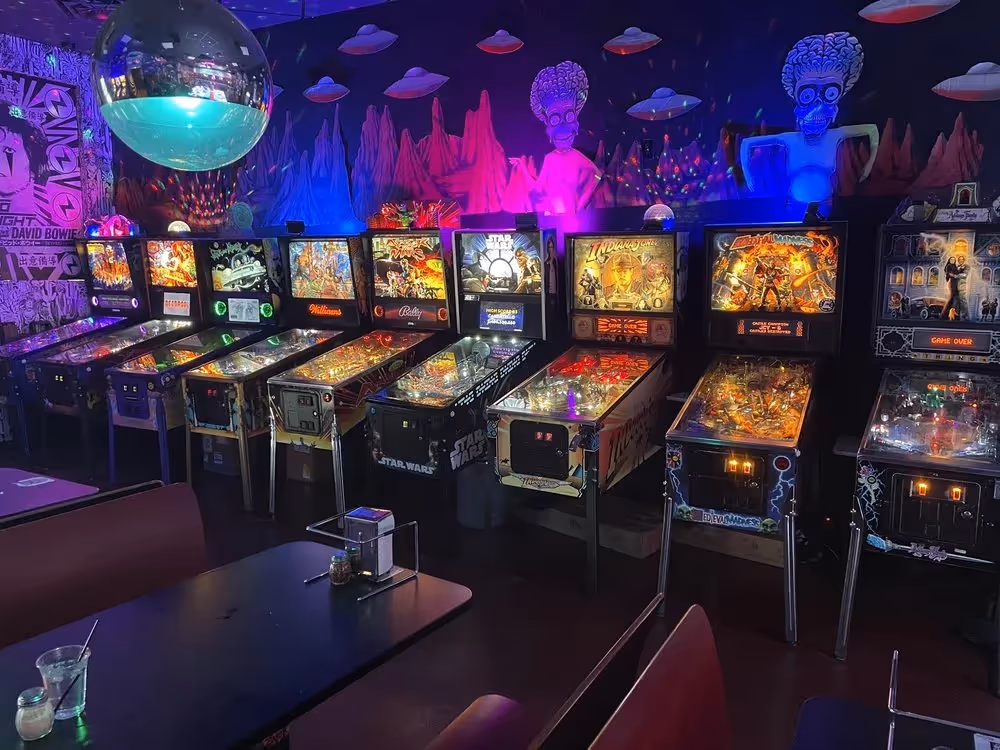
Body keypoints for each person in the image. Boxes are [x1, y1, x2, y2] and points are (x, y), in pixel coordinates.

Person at [942, 254, 969, 321]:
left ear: (964, 260)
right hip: (954, 285)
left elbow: (964, 275)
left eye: (962, 259)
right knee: (955, 301)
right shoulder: (955, 266)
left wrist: (954, 276)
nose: (960, 261)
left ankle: (965, 316)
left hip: (961, 286)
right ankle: (955, 316)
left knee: (962, 301)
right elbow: (948, 272)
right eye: (959, 259)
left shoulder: (966, 266)